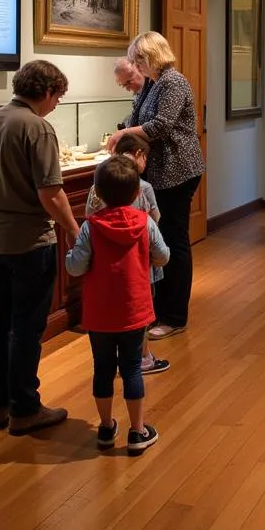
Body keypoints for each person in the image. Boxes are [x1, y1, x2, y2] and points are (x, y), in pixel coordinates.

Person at [0, 60, 80, 434]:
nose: (56, 104)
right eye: (58, 97)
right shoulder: (38, 128)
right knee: (27, 327)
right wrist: (75, 229)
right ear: (46, 91)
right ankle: (25, 407)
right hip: (28, 240)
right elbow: (51, 194)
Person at [66, 155, 170, 455]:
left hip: (99, 313)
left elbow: (76, 267)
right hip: (135, 310)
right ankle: (137, 431)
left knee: (102, 369)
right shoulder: (145, 222)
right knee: (132, 369)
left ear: (96, 193)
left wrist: (69, 256)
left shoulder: (91, 227)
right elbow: (163, 256)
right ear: (138, 192)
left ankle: (106, 426)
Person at [108, 31, 204, 340]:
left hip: (177, 170)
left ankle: (174, 316)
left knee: (173, 240)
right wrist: (122, 134)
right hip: (159, 172)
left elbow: (161, 126)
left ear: (151, 56)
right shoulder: (152, 83)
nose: (136, 66)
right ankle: (158, 309)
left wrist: (121, 137)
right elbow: (136, 119)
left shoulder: (173, 82)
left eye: (138, 59)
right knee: (158, 241)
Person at [85, 131, 170, 375]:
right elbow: (156, 219)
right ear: (139, 154)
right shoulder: (144, 188)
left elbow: (89, 216)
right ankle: (142, 358)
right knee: (141, 312)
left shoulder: (97, 185)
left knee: (112, 308)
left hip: (105, 265)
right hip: (140, 263)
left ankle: (113, 358)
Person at [113, 56, 151, 129]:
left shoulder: (156, 87)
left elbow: (157, 126)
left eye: (129, 82)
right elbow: (133, 120)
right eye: (124, 85)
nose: (128, 89)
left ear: (139, 69)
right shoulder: (139, 94)